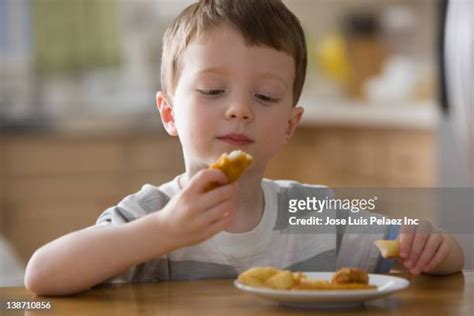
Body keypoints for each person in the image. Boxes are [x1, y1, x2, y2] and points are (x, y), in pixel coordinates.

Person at [24, 0, 464, 296]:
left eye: (266, 97)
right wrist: (164, 231)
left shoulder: (311, 212)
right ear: (169, 113)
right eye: (213, 91)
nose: (239, 110)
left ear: (290, 125)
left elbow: (435, 257)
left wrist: (435, 248)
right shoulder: (148, 215)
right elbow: (42, 275)